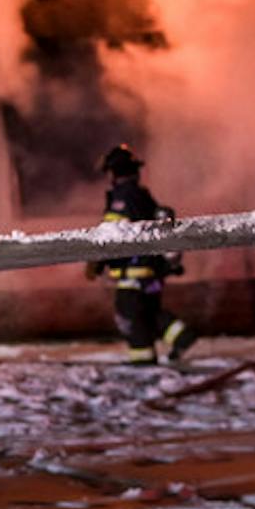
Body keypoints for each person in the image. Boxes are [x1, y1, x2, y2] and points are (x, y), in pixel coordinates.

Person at [88, 143, 196, 365]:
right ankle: (181, 336)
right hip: (151, 273)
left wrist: (97, 261)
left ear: (114, 172)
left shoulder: (122, 198)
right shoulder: (142, 196)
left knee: (130, 317)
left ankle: (143, 362)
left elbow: (111, 235)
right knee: (148, 313)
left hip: (133, 275)